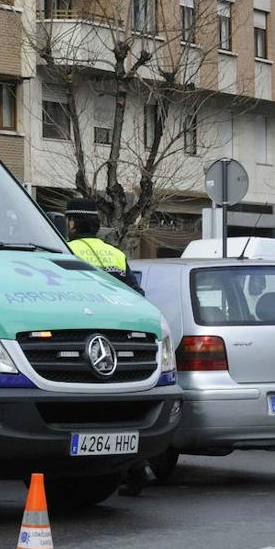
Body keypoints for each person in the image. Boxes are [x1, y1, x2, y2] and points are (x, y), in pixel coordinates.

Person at [65, 197, 156, 496]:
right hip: (119, 341)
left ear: (72, 223)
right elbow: (137, 294)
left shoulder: (66, 252)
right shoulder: (116, 254)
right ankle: (137, 466)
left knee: (83, 412)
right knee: (120, 409)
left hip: (80, 341)